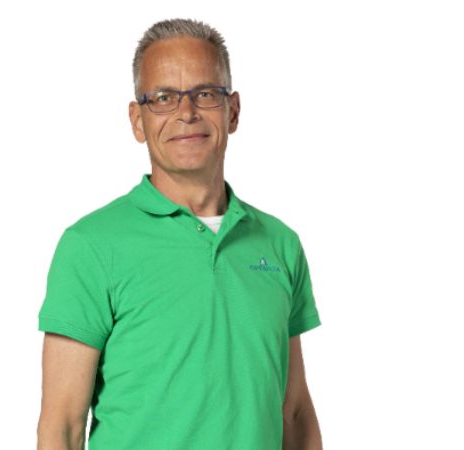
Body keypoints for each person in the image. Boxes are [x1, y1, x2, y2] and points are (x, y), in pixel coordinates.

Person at [36, 18, 323, 450]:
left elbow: (294, 411)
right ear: (137, 121)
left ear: (233, 111)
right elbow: (61, 426)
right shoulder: (91, 246)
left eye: (206, 94)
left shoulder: (279, 243)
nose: (186, 113)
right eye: (163, 98)